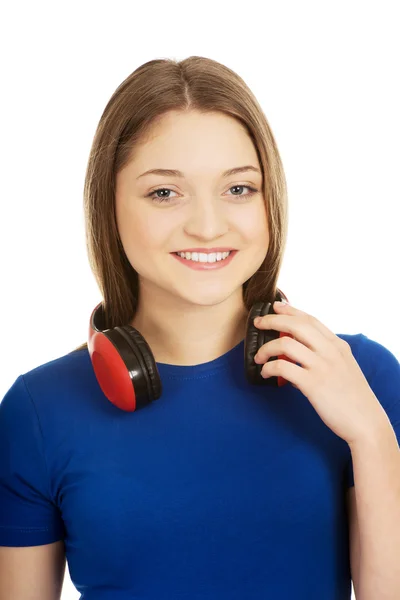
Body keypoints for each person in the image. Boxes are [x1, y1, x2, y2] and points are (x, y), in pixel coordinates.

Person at [0, 56, 399, 600]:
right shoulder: (38, 410)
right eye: (165, 192)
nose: (209, 226)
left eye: (238, 189)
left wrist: (373, 436)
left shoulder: (360, 377)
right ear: (108, 206)